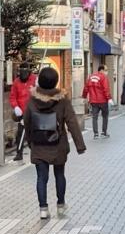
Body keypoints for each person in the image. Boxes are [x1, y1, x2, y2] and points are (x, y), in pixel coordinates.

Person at [23, 66, 86, 221]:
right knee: (59, 174)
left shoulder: (32, 100)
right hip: (58, 144)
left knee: (41, 178)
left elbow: (27, 121)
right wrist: (80, 145)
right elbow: (72, 122)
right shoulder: (62, 100)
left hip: (39, 144)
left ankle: (43, 209)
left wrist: (30, 141)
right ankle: (61, 204)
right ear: (56, 82)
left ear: (40, 81)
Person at [9, 62, 37, 162]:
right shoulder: (16, 82)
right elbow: (13, 96)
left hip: (34, 111)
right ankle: (19, 153)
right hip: (21, 112)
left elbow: (40, 93)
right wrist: (16, 107)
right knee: (20, 133)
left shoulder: (35, 79)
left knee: (33, 133)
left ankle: (35, 152)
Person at [82, 63, 112, 138]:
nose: (107, 72)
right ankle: (103, 132)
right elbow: (106, 89)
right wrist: (109, 98)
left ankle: (95, 134)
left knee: (94, 117)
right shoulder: (103, 77)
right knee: (105, 116)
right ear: (101, 70)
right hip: (103, 101)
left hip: (93, 101)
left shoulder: (90, 77)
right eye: (106, 70)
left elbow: (86, 88)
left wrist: (84, 97)